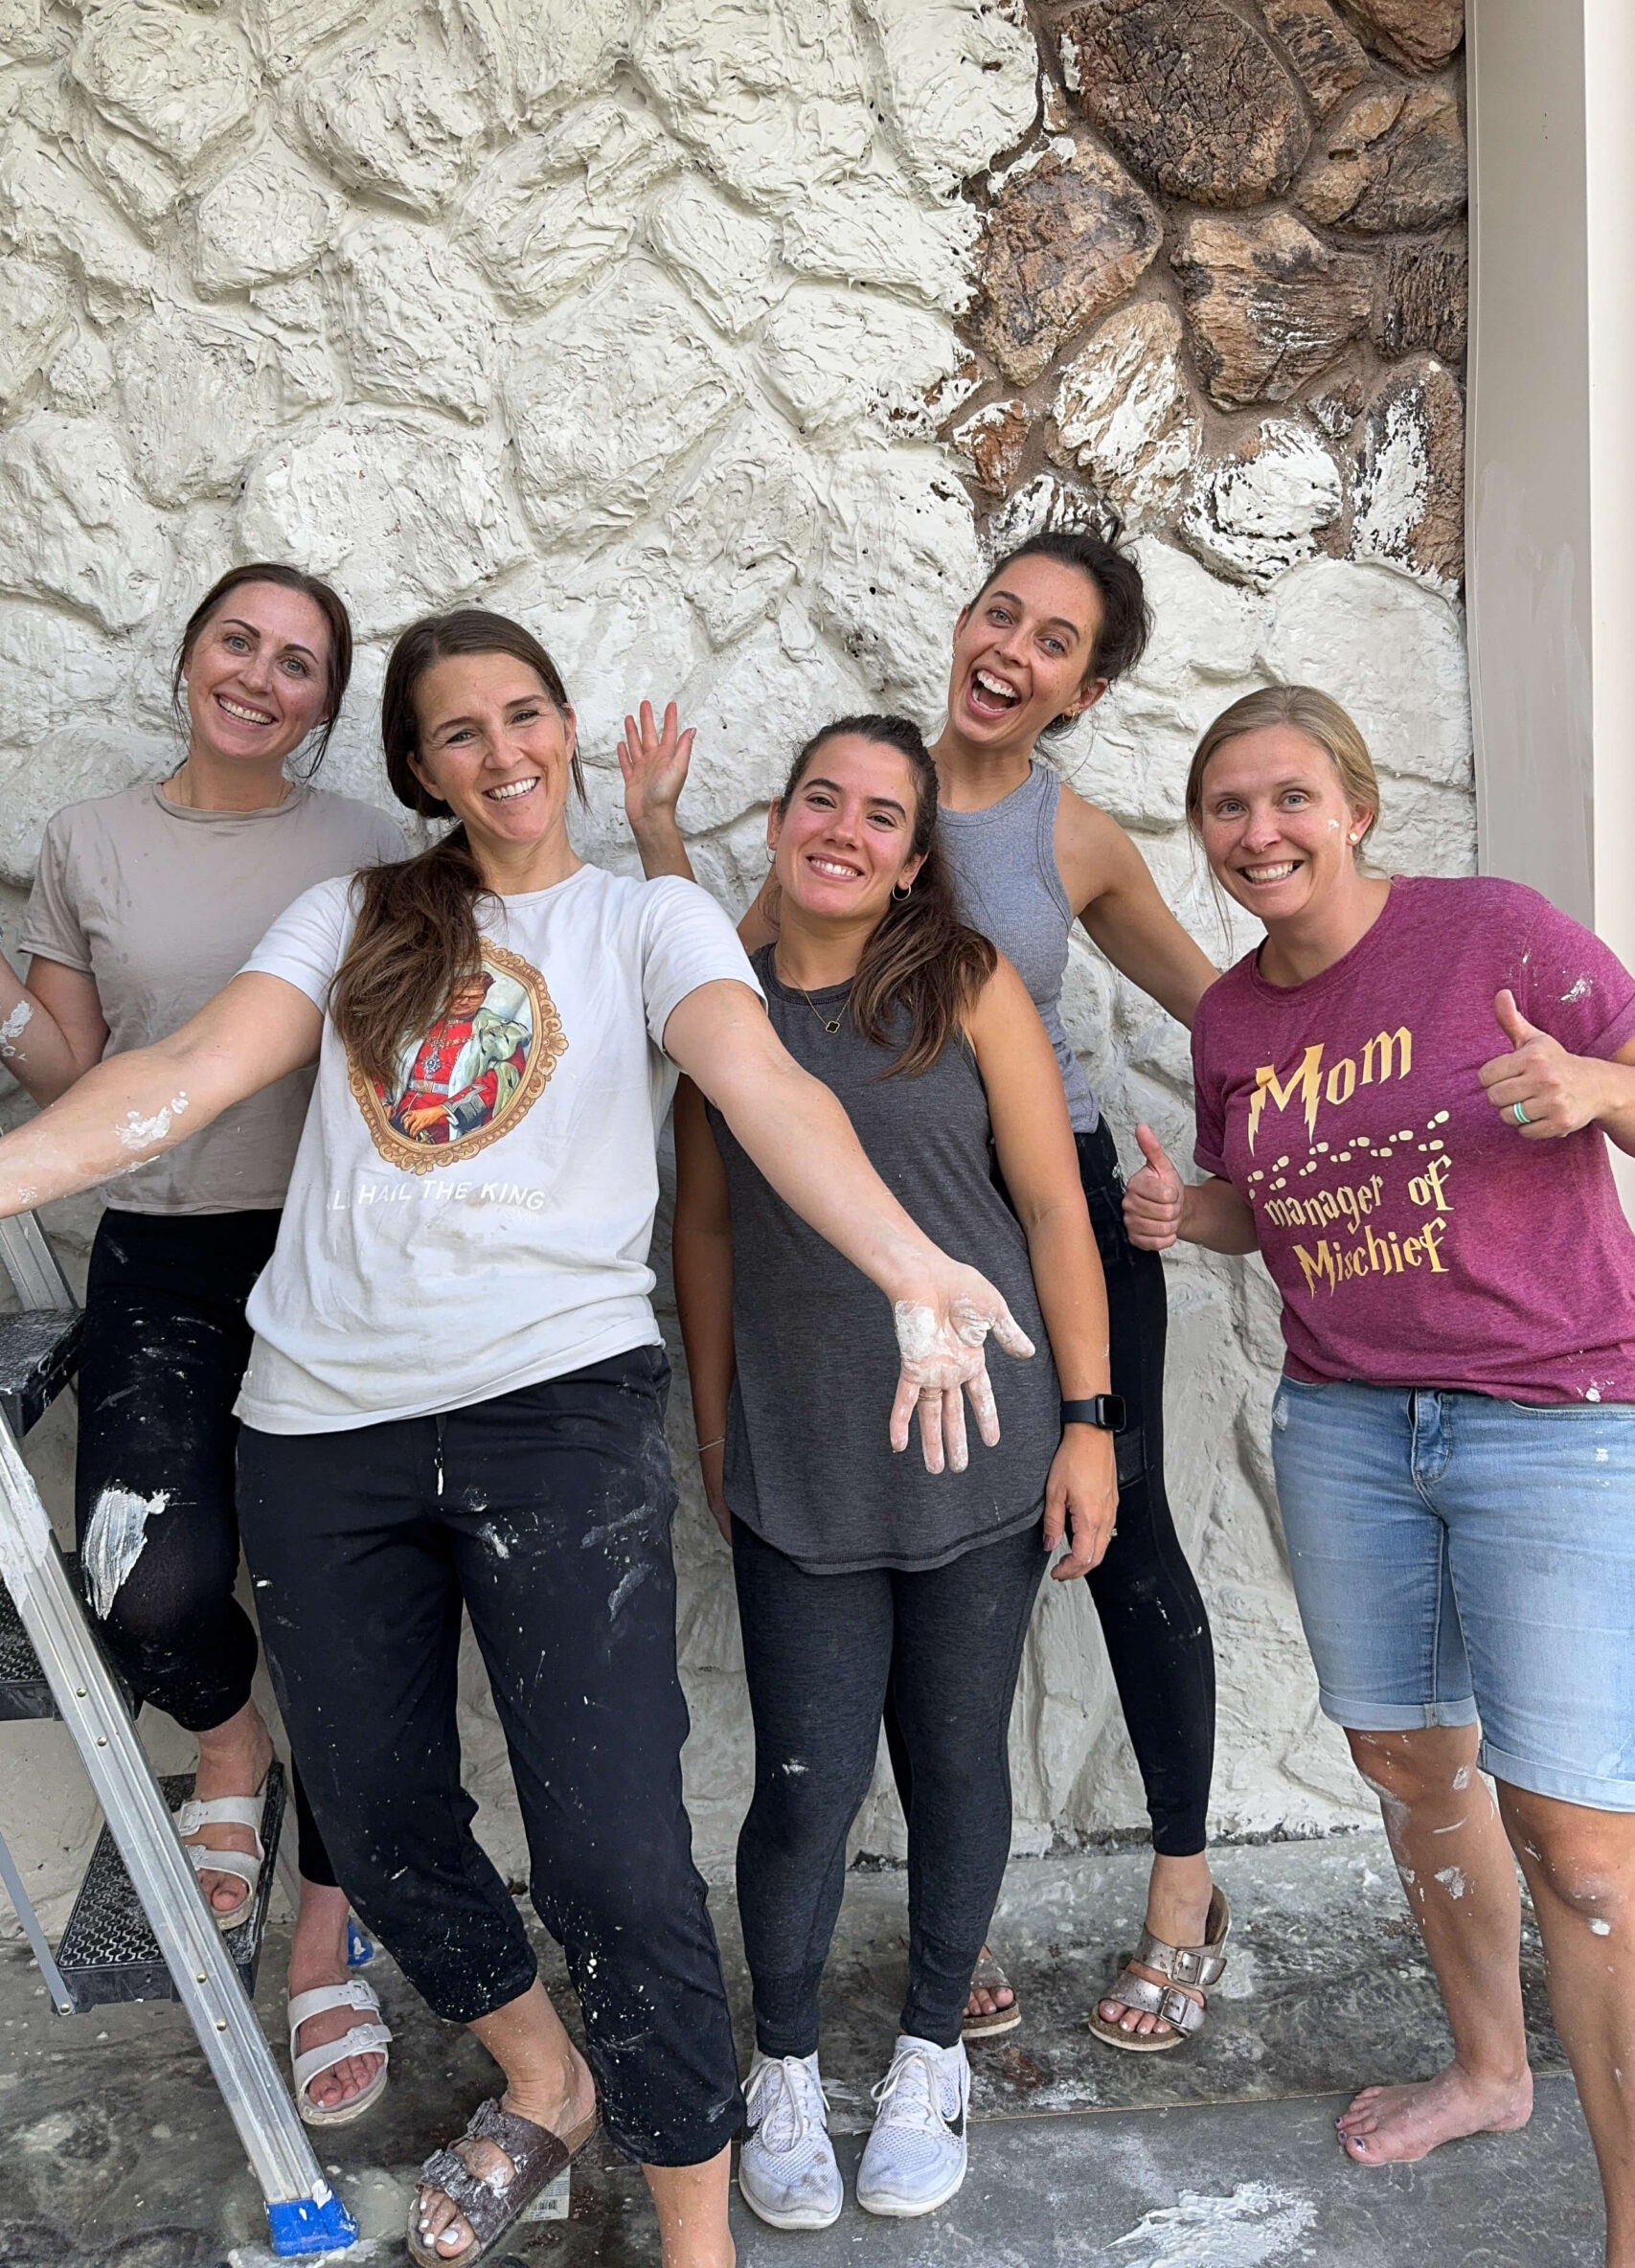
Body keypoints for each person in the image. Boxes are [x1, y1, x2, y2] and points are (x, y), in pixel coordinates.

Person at [0, 611, 1034, 2268]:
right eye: (459, 731)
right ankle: (543, 2082)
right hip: (319, 1423)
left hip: (554, 1410)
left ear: (563, 726)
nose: (504, 752)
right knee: (387, 1827)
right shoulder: (353, 912)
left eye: (526, 713)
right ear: (419, 768)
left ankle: (696, 2243)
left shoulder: (648, 916)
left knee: (618, 1863)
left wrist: (915, 1262)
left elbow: (766, 1088)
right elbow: (187, 1071)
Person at [624, 532, 1228, 2051]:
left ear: (1084, 691)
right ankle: (939, 1945)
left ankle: (1178, 1889)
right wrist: (653, 838)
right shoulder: (854, 802)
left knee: (1112, 1526)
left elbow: (1212, 1005)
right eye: (1000, 612)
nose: (1013, 649)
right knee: (863, 1645)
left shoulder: (1066, 838)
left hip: (1050, 1211)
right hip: (860, 1241)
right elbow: (726, 1005)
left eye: (1056, 642)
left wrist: (1283, 1146)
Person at [1124, 684, 1635, 2267]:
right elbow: (1261, 1205)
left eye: (1288, 799)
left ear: (1355, 806)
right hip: (1348, 1427)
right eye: (1226, 808)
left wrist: (1602, 1092)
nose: (1258, 834)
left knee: (1585, 1838)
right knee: (1412, 1769)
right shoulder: (1234, 1020)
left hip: (1554, 1415)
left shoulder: (1492, 932)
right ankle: (1491, 2074)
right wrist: (1183, 1219)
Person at [671, 714, 1118, 2227]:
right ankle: (784, 2064)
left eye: (881, 815)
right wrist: (722, 1431)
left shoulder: (967, 986)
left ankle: (932, 2052)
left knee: (955, 1759)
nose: (846, 831)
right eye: (821, 800)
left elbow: (1057, 1213)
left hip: (982, 1450)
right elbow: (710, 1231)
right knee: (803, 1787)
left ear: (916, 858)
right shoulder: (717, 1008)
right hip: (800, 1461)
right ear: (782, 819)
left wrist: (1089, 1422)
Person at [0, 563, 402, 2125]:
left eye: (299, 663)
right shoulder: (88, 842)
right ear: (187, 658)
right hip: (161, 1256)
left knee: (358, 1625)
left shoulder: (371, 848)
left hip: (334, 1261)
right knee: (142, 1578)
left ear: (323, 706)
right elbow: (77, 1073)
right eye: (238, 642)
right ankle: (230, 1749)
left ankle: (328, 1928)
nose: (260, 676)